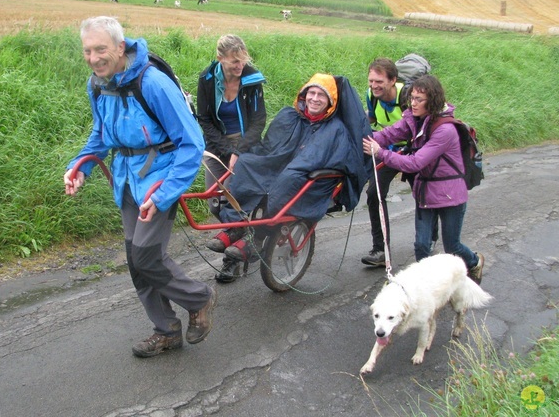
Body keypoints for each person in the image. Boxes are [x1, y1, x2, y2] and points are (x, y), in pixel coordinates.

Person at [63, 16, 217, 358]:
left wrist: (164, 193)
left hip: (160, 178)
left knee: (146, 254)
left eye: (100, 49)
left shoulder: (154, 84)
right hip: (127, 180)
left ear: (120, 47)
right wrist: (80, 167)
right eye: (88, 51)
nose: (93, 57)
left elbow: (192, 144)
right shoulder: (98, 84)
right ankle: (166, 330)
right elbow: (101, 135)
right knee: (137, 260)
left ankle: (199, 298)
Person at [207, 73, 369, 282]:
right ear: (304, 94)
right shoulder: (289, 116)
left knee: (288, 178)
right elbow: (269, 146)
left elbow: (331, 160)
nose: (315, 98)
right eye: (311, 92)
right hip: (280, 166)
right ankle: (234, 228)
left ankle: (257, 238)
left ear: (331, 102)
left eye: (322, 95)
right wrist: (246, 153)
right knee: (247, 163)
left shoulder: (335, 129)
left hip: (306, 178)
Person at [362, 74, 485, 284]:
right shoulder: (414, 120)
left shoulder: (445, 130)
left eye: (419, 99)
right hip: (426, 192)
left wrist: (380, 153)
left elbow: (415, 163)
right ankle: (427, 287)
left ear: (433, 101)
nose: (413, 103)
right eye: (412, 98)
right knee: (421, 245)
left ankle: (474, 262)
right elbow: (389, 134)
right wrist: (362, 138)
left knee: (452, 246)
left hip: (451, 195)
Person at [361, 57, 437, 267]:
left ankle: (430, 238)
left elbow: (421, 126)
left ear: (393, 80)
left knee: (423, 195)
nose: (374, 86)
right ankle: (380, 250)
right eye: (371, 81)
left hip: (413, 151)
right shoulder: (371, 95)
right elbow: (374, 121)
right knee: (374, 194)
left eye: (379, 82)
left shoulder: (408, 96)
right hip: (387, 151)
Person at [197, 35, 267, 227]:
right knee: (214, 203)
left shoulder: (252, 80)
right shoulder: (207, 79)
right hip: (216, 144)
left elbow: (259, 121)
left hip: (245, 144)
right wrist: (227, 151)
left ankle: (242, 241)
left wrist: (238, 152)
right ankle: (240, 235)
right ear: (220, 58)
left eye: (243, 60)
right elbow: (204, 119)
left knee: (232, 201)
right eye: (235, 61)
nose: (240, 65)